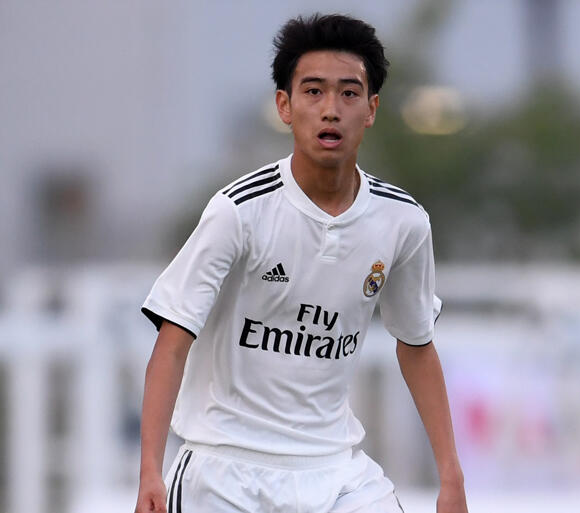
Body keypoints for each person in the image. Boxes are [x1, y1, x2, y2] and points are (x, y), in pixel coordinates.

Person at [134, 13, 469, 513]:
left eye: (349, 93)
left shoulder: (403, 222)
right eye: (313, 92)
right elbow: (173, 342)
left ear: (372, 109)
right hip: (225, 471)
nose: (331, 109)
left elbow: (416, 345)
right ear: (285, 106)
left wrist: (451, 475)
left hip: (335, 471)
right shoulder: (238, 212)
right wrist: (149, 471)